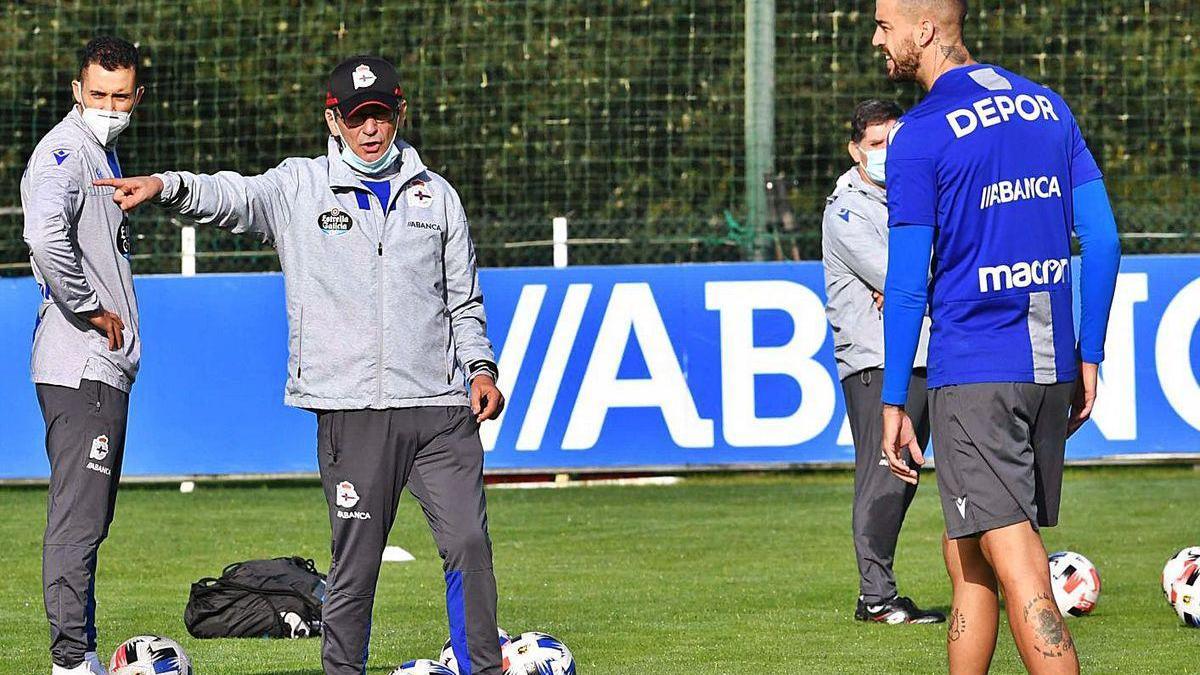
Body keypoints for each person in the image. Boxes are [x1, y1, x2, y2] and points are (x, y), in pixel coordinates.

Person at [97, 56, 507, 675]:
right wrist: (166, 185)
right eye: (356, 117)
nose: (371, 129)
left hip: (439, 406)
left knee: (469, 545)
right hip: (352, 410)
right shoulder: (300, 187)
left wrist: (479, 368)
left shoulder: (437, 196)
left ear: (399, 113)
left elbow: (463, 299)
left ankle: (482, 667)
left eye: (380, 114)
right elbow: (233, 194)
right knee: (356, 562)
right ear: (333, 119)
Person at [872, 0, 1121, 672]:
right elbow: (1102, 240)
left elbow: (905, 284)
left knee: (1020, 569)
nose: (876, 39)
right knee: (969, 561)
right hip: (1049, 370)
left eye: (882, 25)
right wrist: (1089, 352)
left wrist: (895, 398)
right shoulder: (1046, 106)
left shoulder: (919, 135)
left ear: (922, 29)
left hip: (975, 376)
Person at [21, 36, 145, 675]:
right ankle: (71, 661)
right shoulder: (66, 150)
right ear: (77, 91)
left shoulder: (102, 151)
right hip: (80, 365)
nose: (108, 106)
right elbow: (42, 235)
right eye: (97, 94)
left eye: (119, 97)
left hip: (100, 371)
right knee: (77, 521)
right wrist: (90, 308)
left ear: (136, 97)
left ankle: (82, 652)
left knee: (89, 521)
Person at [821, 99, 943, 625]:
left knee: (906, 474)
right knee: (886, 475)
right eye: (875, 145)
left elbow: (916, 280)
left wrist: (910, 285)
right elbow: (905, 277)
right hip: (878, 360)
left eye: (894, 142)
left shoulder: (922, 192)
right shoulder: (845, 210)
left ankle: (883, 592)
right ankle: (875, 597)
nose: (886, 155)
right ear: (855, 150)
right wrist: (910, 284)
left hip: (928, 351)